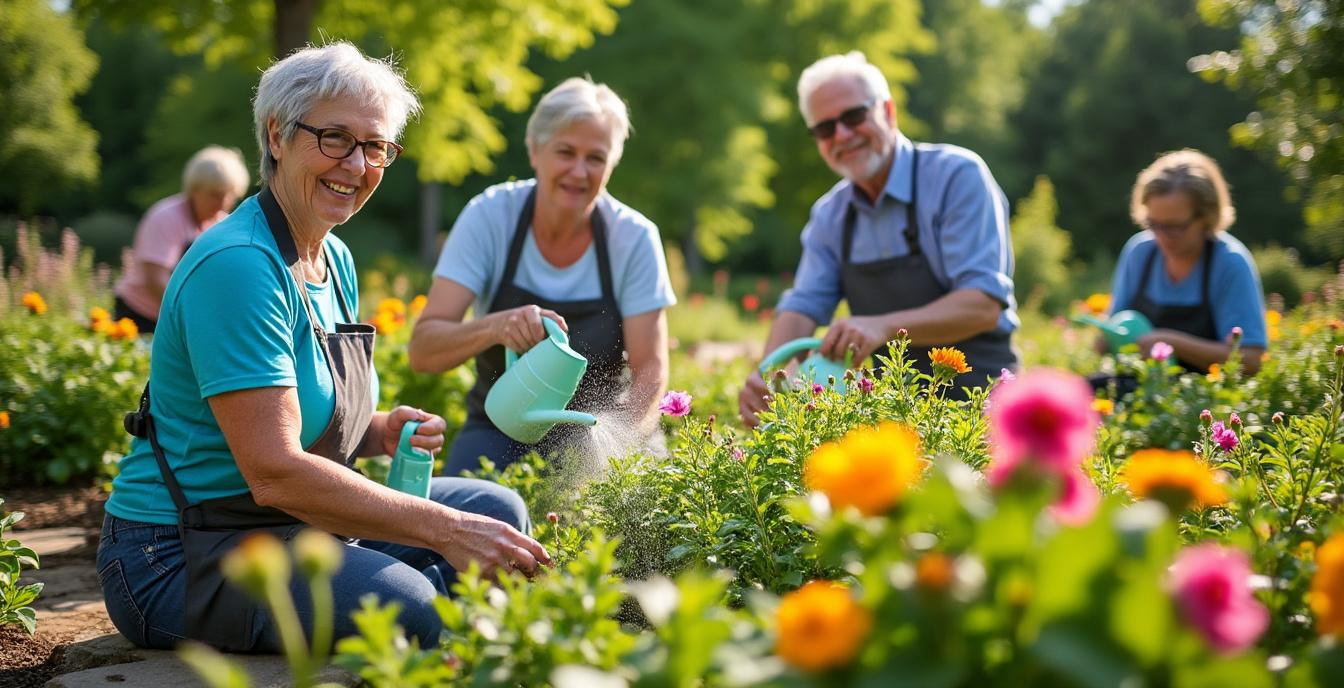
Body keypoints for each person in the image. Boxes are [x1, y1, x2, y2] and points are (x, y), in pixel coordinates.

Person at [97, 42, 549, 655]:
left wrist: (378, 430)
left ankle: (451, 635)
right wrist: (444, 531)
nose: (357, 165)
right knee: (404, 604)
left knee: (495, 509)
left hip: (295, 524)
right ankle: (438, 632)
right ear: (278, 135)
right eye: (334, 138)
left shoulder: (333, 257)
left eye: (376, 147)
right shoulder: (240, 265)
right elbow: (274, 469)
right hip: (184, 552)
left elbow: (301, 405)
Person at [409, 77, 675, 474]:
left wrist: (621, 449)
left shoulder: (633, 238)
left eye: (596, 158)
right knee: (463, 515)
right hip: (498, 428)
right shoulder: (489, 216)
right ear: (535, 150)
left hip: (599, 429)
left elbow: (650, 369)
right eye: (565, 152)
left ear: (611, 165)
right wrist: (496, 328)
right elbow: (423, 351)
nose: (579, 171)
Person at [739, 51, 1018, 426]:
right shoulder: (830, 214)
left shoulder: (956, 177)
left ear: (888, 111)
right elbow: (803, 305)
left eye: (853, 116)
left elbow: (982, 305)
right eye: (824, 128)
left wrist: (882, 326)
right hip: (892, 413)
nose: (842, 135)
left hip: (981, 404)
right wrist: (768, 373)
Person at [1103, 149, 1267, 374]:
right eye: (1153, 224)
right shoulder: (1139, 253)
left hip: (1207, 401)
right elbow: (1115, 326)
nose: (1161, 236)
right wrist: (1104, 339)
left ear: (1207, 217)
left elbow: (1250, 360)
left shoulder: (1229, 263)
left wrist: (1172, 344)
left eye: (1174, 227)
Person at [112, 146, 250, 333]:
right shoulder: (166, 217)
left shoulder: (224, 225)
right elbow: (155, 280)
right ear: (194, 189)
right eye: (215, 194)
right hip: (140, 316)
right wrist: (197, 315)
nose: (223, 202)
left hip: (184, 318)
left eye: (229, 194)